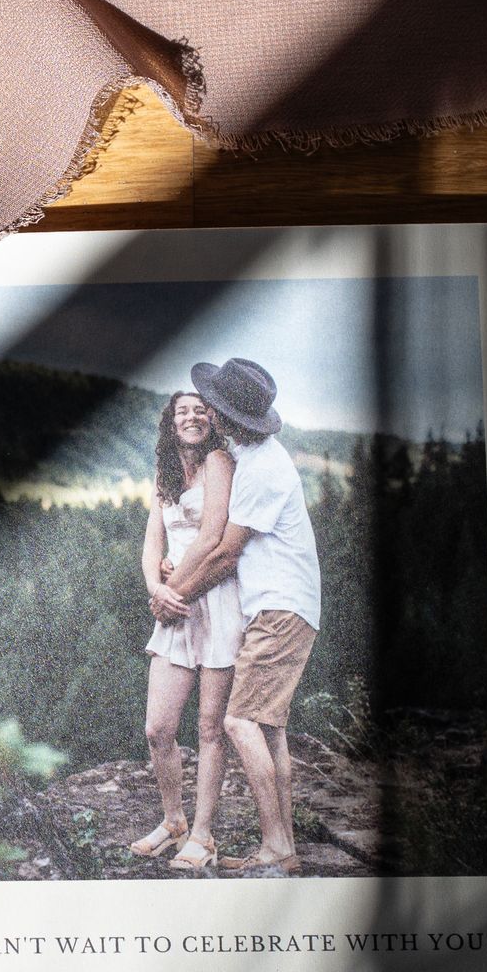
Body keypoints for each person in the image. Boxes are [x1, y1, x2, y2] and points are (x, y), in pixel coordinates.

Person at [152, 357, 322, 878]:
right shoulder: (252, 457)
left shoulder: (260, 468)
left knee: (237, 721)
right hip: (277, 606)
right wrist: (171, 578)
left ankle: (276, 847)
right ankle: (283, 843)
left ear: (227, 414)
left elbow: (223, 553)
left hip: (278, 608)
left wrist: (168, 596)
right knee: (269, 730)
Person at [129, 388, 244, 873]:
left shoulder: (220, 461)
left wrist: (172, 587)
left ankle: (203, 836)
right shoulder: (164, 472)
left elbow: (214, 537)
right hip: (174, 604)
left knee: (210, 729)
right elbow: (152, 540)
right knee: (158, 727)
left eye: (200, 411)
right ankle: (173, 820)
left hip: (215, 599)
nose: (192, 417)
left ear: (212, 419)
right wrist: (157, 588)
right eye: (183, 411)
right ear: (170, 421)